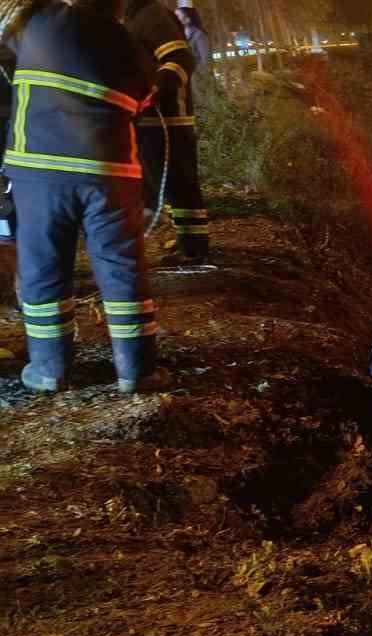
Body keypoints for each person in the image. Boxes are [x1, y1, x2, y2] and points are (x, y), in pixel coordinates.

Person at [3, 0, 168, 393]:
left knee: (43, 264)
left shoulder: (38, 21)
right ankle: (136, 372)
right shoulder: (131, 46)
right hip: (112, 175)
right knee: (122, 268)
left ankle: (49, 369)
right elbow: (145, 99)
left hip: (41, 169)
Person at [126, 0, 208, 263]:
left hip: (169, 118)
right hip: (148, 117)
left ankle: (194, 248)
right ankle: (186, 240)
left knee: (180, 183)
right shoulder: (134, 18)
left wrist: (156, 92)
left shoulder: (152, 15)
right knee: (166, 182)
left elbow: (180, 58)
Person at [176, 1, 210, 80]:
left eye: (177, 16)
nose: (175, 18)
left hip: (199, 80)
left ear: (187, 19)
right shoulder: (179, 36)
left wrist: (197, 76)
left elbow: (206, 59)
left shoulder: (199, 35)